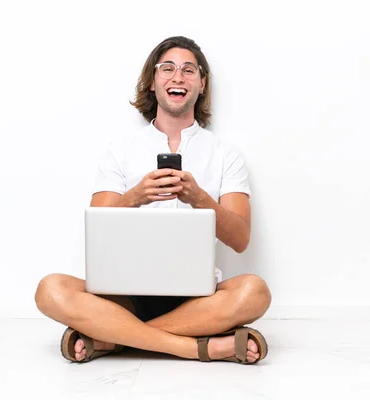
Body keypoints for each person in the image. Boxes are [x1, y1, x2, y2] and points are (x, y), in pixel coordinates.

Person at [34, 36, 271, 365]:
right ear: (152, 82)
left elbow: (241, 239)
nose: (178, 77)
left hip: (198, 298)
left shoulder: (225, 154)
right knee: (50, 289)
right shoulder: (120, 150)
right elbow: (97, 226)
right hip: (123, 295)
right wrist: (135, 196)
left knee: (254, 291)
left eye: (189, 70)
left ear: (202, 84)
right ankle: (196, 346)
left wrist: (199, 198)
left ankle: (111, 338)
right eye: (167, 68)